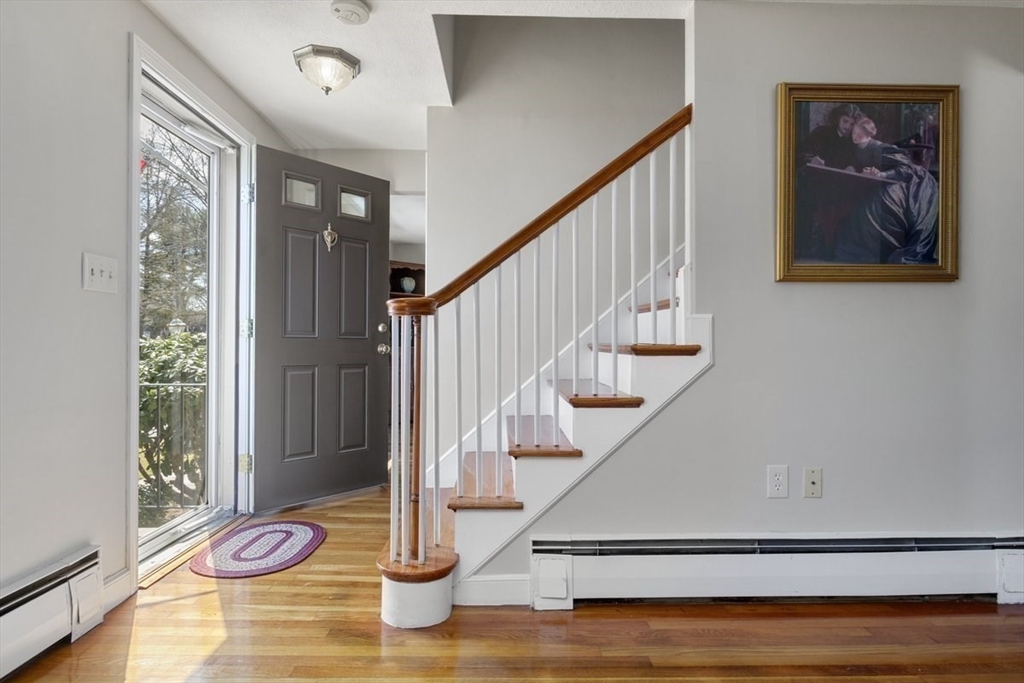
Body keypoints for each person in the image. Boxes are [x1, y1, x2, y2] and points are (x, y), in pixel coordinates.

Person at [835, 118, 940, 265]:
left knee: (881, 202)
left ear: (869, 134)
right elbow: (864, 166)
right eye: (854, 133)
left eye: (860, 133)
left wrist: (880, 174)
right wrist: (853, 168)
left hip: (914, 181)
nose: (856, 136)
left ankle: (886, 248)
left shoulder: (879, 148)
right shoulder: (856, 149)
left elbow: (906, 169)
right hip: (888, 181)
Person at [798, 103, 861, 170]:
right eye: (845, 121)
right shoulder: (821, 133)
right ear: (838, 118)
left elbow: (860, 164)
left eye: (852, 124)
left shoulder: (856, 141)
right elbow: (803, 154)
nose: (848, 127)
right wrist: (812, 160)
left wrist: (854, 169)